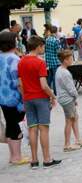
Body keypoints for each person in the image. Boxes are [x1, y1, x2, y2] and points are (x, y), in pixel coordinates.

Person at [18, 36, 61, 169]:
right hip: (40, 98)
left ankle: (34, 160)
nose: (43, 49)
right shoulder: (40, 62)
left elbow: (20, 84)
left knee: (32, 128)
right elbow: (43, 85)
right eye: (43, 46)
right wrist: (53, 96)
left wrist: (25, 96)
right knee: (44, 128)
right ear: (38, 47)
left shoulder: (21, 62)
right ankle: (47, 159)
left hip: (28, 98)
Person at [0, 31, 29, 165]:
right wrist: (25, 97)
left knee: (10, 125)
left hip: (3, 97)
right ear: (13, 42)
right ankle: (17, 157)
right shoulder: (15, 59)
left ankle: (13, 156)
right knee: (17, 127)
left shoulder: (0, 57)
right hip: (15, 99)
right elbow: (19, 83)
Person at [55, 50, 82, 152]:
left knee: (74, 118)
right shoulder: (65, 73)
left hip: (66, 98)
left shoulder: (59, 70)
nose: (72, 60)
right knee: (69, 120)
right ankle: (67, 144)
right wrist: (75, 97)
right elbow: (71, 89)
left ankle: (78, 139)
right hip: (67, 98)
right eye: (70, 58)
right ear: (65, 60)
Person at [44, 25, 61, 94]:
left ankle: (46, 90)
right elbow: (58, 52)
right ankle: (56, 91)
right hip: (55, 61)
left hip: (49, 61)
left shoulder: (47, 39)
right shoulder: (56, 40)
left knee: (50, 77)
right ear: (56, 31)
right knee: (55, 77)